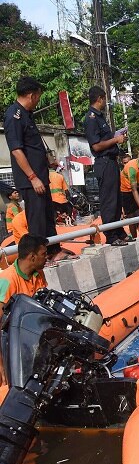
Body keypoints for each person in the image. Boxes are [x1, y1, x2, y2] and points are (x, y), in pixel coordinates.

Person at [3, 77, 64, 260]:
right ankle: (39, 259)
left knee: (47, 217)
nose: (38, 101)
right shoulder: (14, 115)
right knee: (37, 220)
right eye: (38, 97)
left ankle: (53, 251)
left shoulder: (26, 114)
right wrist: (32, 177)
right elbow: (16, 150)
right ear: (32, 95)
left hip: (41, 176)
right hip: (31, 181)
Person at [0, 233, 49, 385]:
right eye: (44, 254)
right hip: (11, 340)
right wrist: (1, 365)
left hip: (31, 334)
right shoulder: (8, 280)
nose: (47, 257)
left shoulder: (38, 274)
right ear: (32, 257)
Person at [83, 86, 128, 246]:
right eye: (104, 99)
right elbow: (96, 146)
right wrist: (115, 140)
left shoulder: (100, 118)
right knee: (109, 200)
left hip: (111, 161)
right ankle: (111, 235)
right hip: (104, 162)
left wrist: (116, 137)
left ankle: (119, 231)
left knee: (116, 199)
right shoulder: (91, 119)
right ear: (100, 98)